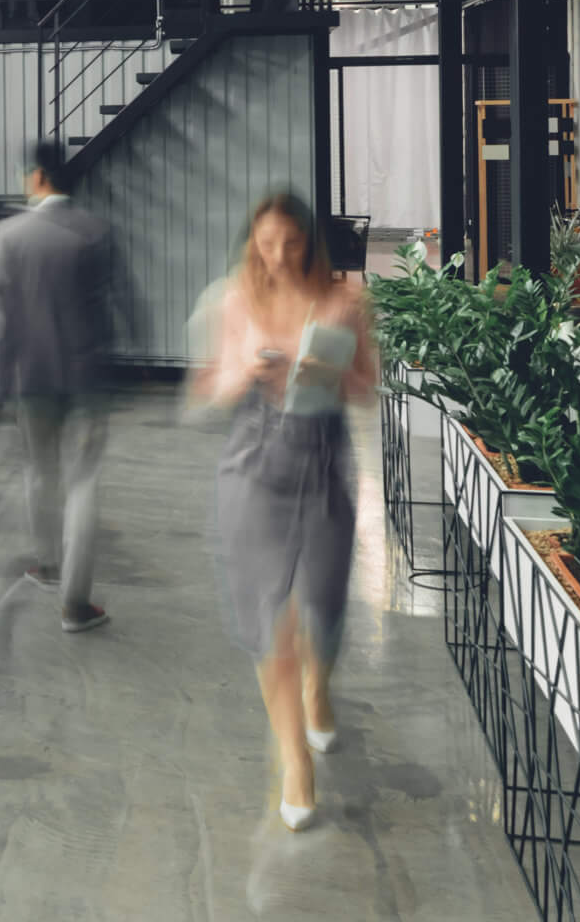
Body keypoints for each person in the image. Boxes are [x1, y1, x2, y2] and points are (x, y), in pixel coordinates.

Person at [188, 190, 376, 832]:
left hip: (322, 462)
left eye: (291, 243)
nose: (277, 256)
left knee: (321, 604)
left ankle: (318, 688)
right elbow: (206, 388)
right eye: (266, 243)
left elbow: (368, 387)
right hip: (253, 462)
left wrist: (324, 368)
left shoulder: (345, 301)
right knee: (272, 617)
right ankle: (294, 758)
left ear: (310, 242)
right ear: (253, 242)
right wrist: (243, 371)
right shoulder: (234, 299)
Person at [0, 141, 119, 635]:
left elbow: (2, 320)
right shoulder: (94, 231)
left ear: (38, 177)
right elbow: (107, 308)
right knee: (83, 484)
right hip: (84, 378)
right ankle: (75, 605)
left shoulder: (7, 236)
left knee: (39, 474)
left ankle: (47, 565)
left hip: (30, 378)